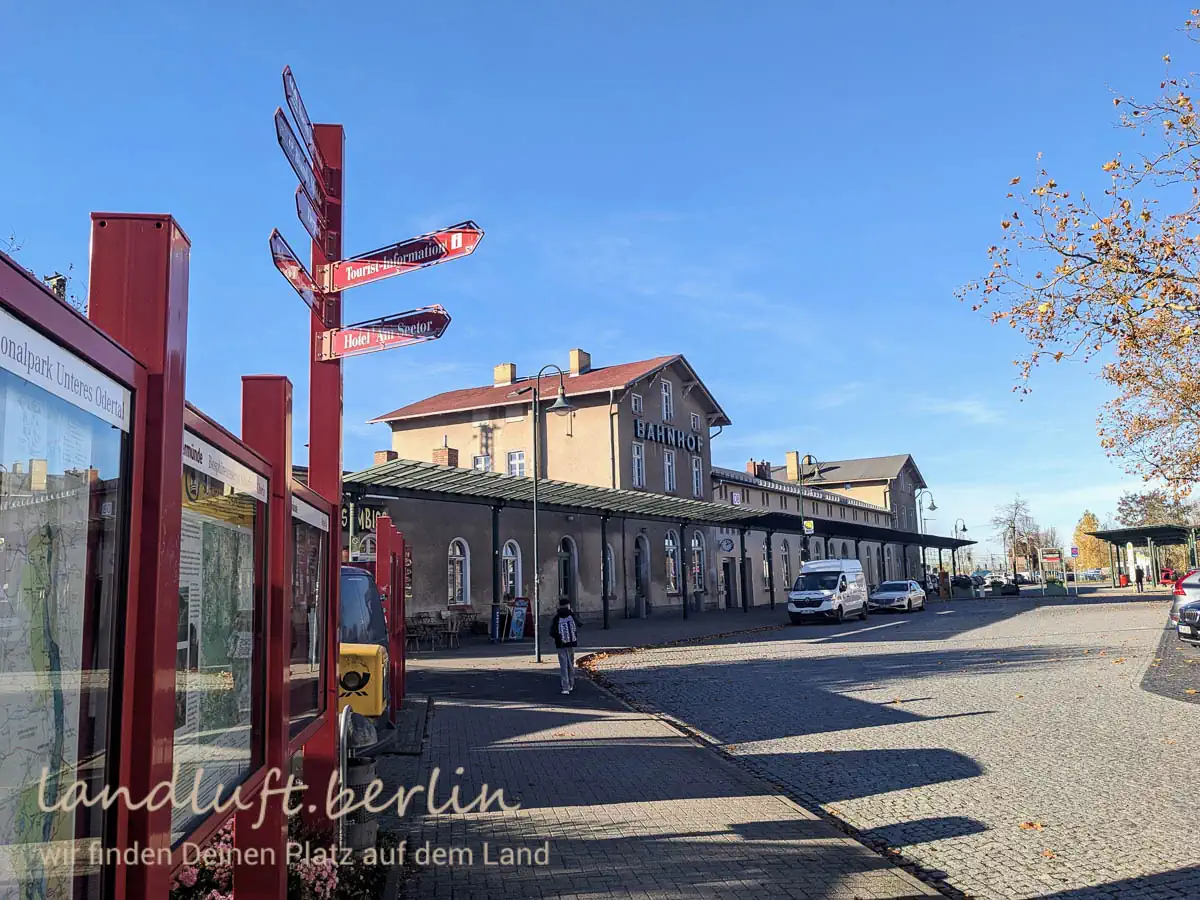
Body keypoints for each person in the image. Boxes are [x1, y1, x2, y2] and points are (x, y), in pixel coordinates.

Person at [549, 598, 580, 695]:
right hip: (571, 643)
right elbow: (579, 625)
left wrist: (559, 637)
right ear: (568, 606)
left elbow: (552, 632)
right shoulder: (571, 616)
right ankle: (571, 684)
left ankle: (565, 687)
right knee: (571, 664)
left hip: (560, 644)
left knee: (563, 665)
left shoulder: (557, 617)